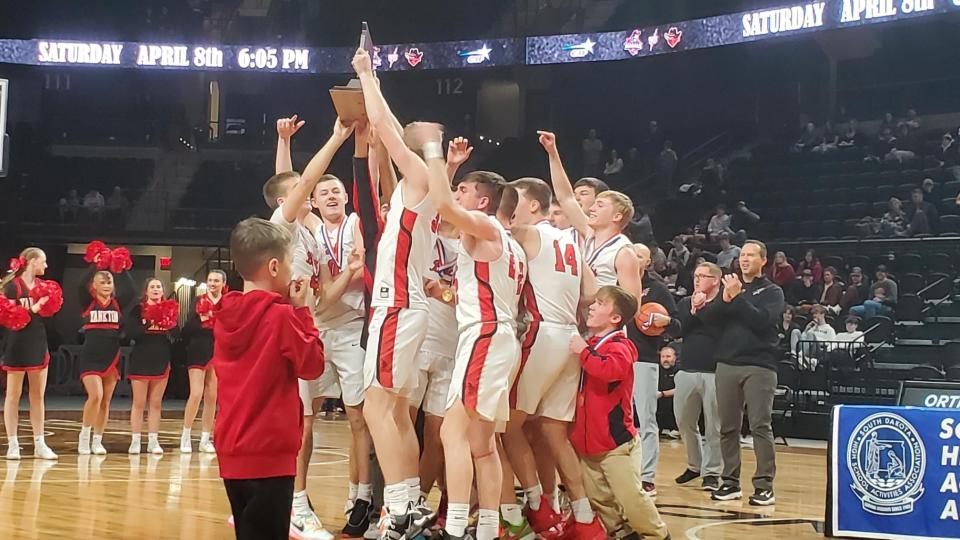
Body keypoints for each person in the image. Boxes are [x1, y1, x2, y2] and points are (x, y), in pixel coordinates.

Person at [418, 123, 525, 540]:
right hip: (494, 335)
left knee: (451, 432)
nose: (457, 196)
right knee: (482, 443)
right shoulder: (506, 242)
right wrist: (445, 293)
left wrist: (434, 151)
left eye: (464, 191)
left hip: (484, 336)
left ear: (482, 202)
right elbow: (481, 292)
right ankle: (488, 527)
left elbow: (442, 207)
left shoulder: (488, 226)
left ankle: (458, 524)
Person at [354, 48, 443, 538]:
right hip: (411, 307)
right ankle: (410, 504)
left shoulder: (422, 175)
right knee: (396, 412)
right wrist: (376, 91)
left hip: (397, 303)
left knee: (376, 408)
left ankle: (400, 509)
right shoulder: (421, 183)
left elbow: (385, 126)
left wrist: (367, 75)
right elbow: (387, 125)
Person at [269, 113, 356, 540]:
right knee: (298, 422)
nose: (309, 188)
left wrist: (284, 140)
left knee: (307, 419)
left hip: (311, 323)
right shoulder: (283, 227)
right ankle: (293, 505)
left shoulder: (311, 232)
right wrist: (337, 136)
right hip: (284, 327)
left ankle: (294, 504)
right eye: (302, 189)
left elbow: (286, 179)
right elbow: (289, 182)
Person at [500, 177, 602, 538]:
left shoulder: (525, 234)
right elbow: (591, 292)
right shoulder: (571, 241)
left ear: (531, 206)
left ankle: (536, 506)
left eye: (515, 199)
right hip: (570, 337)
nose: (508, 205)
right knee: (553, 432)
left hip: (540, 333)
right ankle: (585, 516)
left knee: (506, 425)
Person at [213, 217, 326, 540]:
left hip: (232, 447)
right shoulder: (282, 316)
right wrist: (303, 312)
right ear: (275, 266)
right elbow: (312, 365)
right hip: (269, 452)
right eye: (290, 261)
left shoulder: (225, 313)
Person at [407, 137, 472, 536]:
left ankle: (420, 506)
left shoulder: (473, 240)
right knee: (402, 421)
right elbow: (435, 196)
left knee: (437, 435)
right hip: (416, 336)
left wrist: (445, 292)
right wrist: (448, 166)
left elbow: (473, 297)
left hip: (454, 343)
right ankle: (402, 504)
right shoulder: (424, 229)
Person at [569, 286, 670, 540]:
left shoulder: (621, 345)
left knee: (631, 497)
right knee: (599, 499)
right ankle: (623, 534)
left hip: (616, 443)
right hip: (588, 443)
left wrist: (582, 351)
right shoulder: (591, 343)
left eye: (600, 303)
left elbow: (609, 371)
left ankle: (658, 535)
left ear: (615, 318)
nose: (592, 306)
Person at [712, 240, 785, 506]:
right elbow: (712, 319)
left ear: (763, 260)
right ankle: (730, 482)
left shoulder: (772, 291)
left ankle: (764, 485)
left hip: (759, 365)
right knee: (728, 427)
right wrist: (725, 297)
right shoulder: (730, 288)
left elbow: (761, 321)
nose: (745, 259)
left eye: (751, 255)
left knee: (759, 425)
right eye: (742, 255)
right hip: (727, 363)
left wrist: (738, 296)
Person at [539, 131, 641, 301]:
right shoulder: (589, 234)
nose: (592, 209)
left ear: (616, 216)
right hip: (583, 319)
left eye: (600, 205)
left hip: (606, 322)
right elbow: (566, 197)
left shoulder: (624, 252)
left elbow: (633, 304)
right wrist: (552, 152)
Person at [626, 243, 678, 497]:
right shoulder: (614, 284)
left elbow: (677, 323)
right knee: (613, 418)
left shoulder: (657, 289)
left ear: (648, 262)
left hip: (644, 359)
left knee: (646, 419)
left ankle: (647, 477)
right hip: (613, 357)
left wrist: (666, 322)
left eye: (640, 256)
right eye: (631, 254)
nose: (634, 259)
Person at [76, 248, 136, 455]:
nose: (107, 285)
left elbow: (132, 289)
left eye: (109, 282)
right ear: (94, 285)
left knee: (105, 401)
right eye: (102, 282)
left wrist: (121, 266)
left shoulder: (118, 303)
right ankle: (84, 436)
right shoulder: (88, 302)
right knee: (96, 396)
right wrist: (97, 263)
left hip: (112, 356)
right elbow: (79, 284)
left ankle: (97, 440)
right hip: (91, 356)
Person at [1, 248, 59, 460]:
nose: (46, 266)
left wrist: (46, 308)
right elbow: (7, 317)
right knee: (13, 395)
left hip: (37, 341)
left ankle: (40, 443)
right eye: (43, 261)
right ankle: (13, 444)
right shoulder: (12, 286)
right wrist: (32, 309)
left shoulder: (45, 287)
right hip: (16, 343)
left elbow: (49, 318)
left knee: (37, 396)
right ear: (32, 261)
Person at [673, 262, 724, 491]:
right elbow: (681, 329)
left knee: (714, 425)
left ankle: (712, 472)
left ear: (714, 280)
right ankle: (695, 465)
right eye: (695, 276)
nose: (696, 280)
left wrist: (704, 309)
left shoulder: (724, 303)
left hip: (714, 370)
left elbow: (717, 330)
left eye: (702, 276)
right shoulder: (685, 302)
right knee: (683, 421)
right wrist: (694, 310)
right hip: (687, 369)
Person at [126, 278, 178, 455]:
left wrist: (169, 323)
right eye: (152, 287)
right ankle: (135, 440)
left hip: (161, 358)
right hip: (141, 358)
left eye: (159, 286)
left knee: (155, 403)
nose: (156, 289)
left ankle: (153, 441)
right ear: (146, 291)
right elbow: (131, 334)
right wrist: (149, 321)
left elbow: (177, 336)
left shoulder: (170, 309)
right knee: (139, 402)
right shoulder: (137, 310)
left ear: (162, 291)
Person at [180, 270, 227, 455]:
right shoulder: (197, 301)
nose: (213, 283)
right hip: (198, 349)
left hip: (218, 351)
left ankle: (205, 438)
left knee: (212, 396)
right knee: (196, 392)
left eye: (216, 280)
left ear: (224, 283)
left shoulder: (227, 302)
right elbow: (186, 329)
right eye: (210, 280)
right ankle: (185, 435)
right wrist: (202, 319)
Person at [656, 346, 678, 435]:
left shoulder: (679, 370)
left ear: (675, 357)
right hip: (658, 405)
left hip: (674, 405)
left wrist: (662, 394)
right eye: (663, 357)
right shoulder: (656, 370)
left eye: (668, 356)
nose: (665, 359)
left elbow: (681, 389)